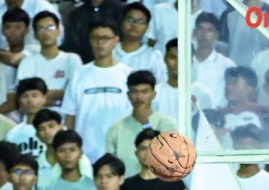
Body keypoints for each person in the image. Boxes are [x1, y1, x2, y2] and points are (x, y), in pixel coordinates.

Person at [61, 22, 131, 162]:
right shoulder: (79, 74)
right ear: (89, 41)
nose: (100, 43)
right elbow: (70, 118)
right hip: (85, 156)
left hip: (121, 153)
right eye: (96, 38)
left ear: (116, 40)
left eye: (106, 38)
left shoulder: (128, 74)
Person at [105, 70, 176, 177]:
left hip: (159, 185)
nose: (139, 97)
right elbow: (110, 166)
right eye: (134, 91)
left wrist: (146, 124)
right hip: (127, 188)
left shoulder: (167, 124)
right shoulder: (116, 128)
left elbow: (170, 158)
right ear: (128, 95)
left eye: (144, 92)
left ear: (153, 94)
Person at [16, 10, 79, 106]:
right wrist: (58, 99)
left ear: (58, 31)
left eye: (51, 27)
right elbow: (25, 96)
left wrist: (39, 95)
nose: (46, 33)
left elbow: (75, 93)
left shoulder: (72, 59)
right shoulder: (28, 62)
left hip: (66, 117)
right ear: (35, 35)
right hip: (35, 117)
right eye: (41, 29)